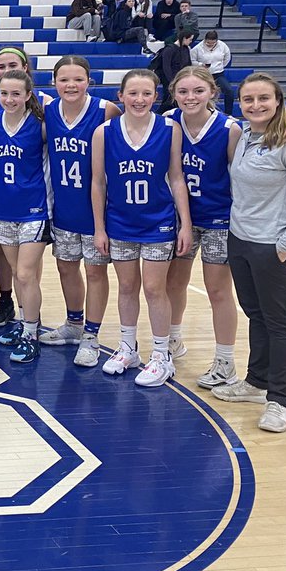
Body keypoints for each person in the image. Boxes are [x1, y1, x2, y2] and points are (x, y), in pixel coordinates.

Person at [210, 73, 286, 433]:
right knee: (256, 314)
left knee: (281, 322)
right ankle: (256, 382)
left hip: (274, 246)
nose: (256, 105)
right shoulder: (245, 135)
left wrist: (285, 243)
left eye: (263, 99)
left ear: (278, 101)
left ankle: (280, 400)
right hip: (241, 240)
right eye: (248, 99)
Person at [92, 69, 192, 388]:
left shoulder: (169, 129)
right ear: (120, 96)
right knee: (126, 287)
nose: (139, 99)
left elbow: (176, 178)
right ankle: (127, 348)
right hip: (120, 222)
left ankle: (161, 355)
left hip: (158, 222)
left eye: (146, 93)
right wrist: (99, 228)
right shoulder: (104, 132)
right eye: (133, 93)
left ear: (156, 96)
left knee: (153, 288)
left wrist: (185, 224)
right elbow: (98, 183)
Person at [39, 56, 120, 366]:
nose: (71, 85)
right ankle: (74, 324)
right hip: (64, 207)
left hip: (97, 210)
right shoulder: (48, 112)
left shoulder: (105, 111)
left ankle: (91, 335)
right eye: (64, 79)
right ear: (54, 82)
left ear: (89, 81)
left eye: (78, 79)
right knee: (66, 267)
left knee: (95, 272)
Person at [164, 66, 242, 388]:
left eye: (198, 90)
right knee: (173, 283)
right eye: (183, 91)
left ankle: (225, 362)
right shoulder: (168, 121)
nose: (190, 97)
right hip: (180, 218)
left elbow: (241, 180)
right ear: (174, 94)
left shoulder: (229, 129)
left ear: (212, 91)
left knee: (218, 290)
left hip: (218, 219)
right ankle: (172, 341)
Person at [0, 69, 50, 364]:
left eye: (15, 94)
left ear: (28, 95)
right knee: (17, 273)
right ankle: (25, 323)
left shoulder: (40, 124)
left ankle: (32, 333)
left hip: (34, 209)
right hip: (4, 210)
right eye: (4, 94)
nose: (9, 99)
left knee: (25, 274)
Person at [191, 29, 236, 112]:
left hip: (218, 74)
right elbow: (192, 61)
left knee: (229, 91)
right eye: (208, 43)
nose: (210, 45)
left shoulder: (223, 46)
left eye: (213, 43)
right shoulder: (197, 48)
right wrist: (200, 65)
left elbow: (227, 58)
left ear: (216, 41)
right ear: (205, 40)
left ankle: (228, 113)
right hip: (203, 75)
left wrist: (219, 66)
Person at [158, 27, 198, 112]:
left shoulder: (186, 49)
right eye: (190, 39)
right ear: (184, 38)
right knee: (168, 101)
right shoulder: (169, 49)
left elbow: (188, 65)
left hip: (182, 78)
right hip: (170, 79)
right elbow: (166, 67)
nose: (191, 41)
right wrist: (172, 81)